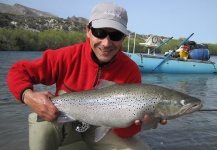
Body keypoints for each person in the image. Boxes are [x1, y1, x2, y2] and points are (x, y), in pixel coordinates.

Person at [7, 2, 166, 150]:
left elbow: (124, 132)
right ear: (88, 31)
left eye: (115, 36)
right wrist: (28, 96)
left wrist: (142, 122)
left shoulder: (130, 69)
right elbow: (18, 71)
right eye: (100, 33)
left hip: (103, 129)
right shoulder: (67, 56)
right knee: (42, 125)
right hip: (66, 124)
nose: (106, 43)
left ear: (123, 38)